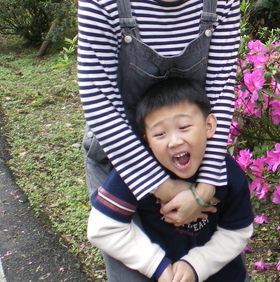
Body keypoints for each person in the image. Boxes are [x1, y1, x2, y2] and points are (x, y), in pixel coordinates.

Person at [78, 0, 240, 280]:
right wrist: (167, 188)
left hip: (195, 156)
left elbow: (222, 90)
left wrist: (204, 188)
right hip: (121, 164)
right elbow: (101, 105)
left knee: (207, 269)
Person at [87, 78, 253, 282]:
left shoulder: (228, 172)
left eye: (183, 127)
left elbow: (237, 231)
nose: (174, 141)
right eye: (159, 133)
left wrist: (197, 265)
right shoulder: (136, 171)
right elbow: (102, 229)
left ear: (209, 125)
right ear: (146, 140)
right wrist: (156, 265)